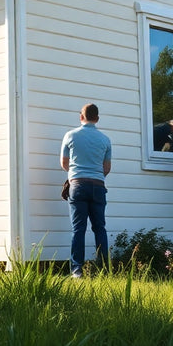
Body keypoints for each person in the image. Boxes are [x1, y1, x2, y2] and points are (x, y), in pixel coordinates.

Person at [60, 102, 112, 278]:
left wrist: (77, 173)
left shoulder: (70, 135)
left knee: (78, 229)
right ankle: (104, 269)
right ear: (97, 118)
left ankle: (77, 270)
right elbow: (106, 168)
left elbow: (64, 163)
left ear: (81, 117)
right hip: (98, 186)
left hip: (78, 185)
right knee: (100, 228)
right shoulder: (105, 140)